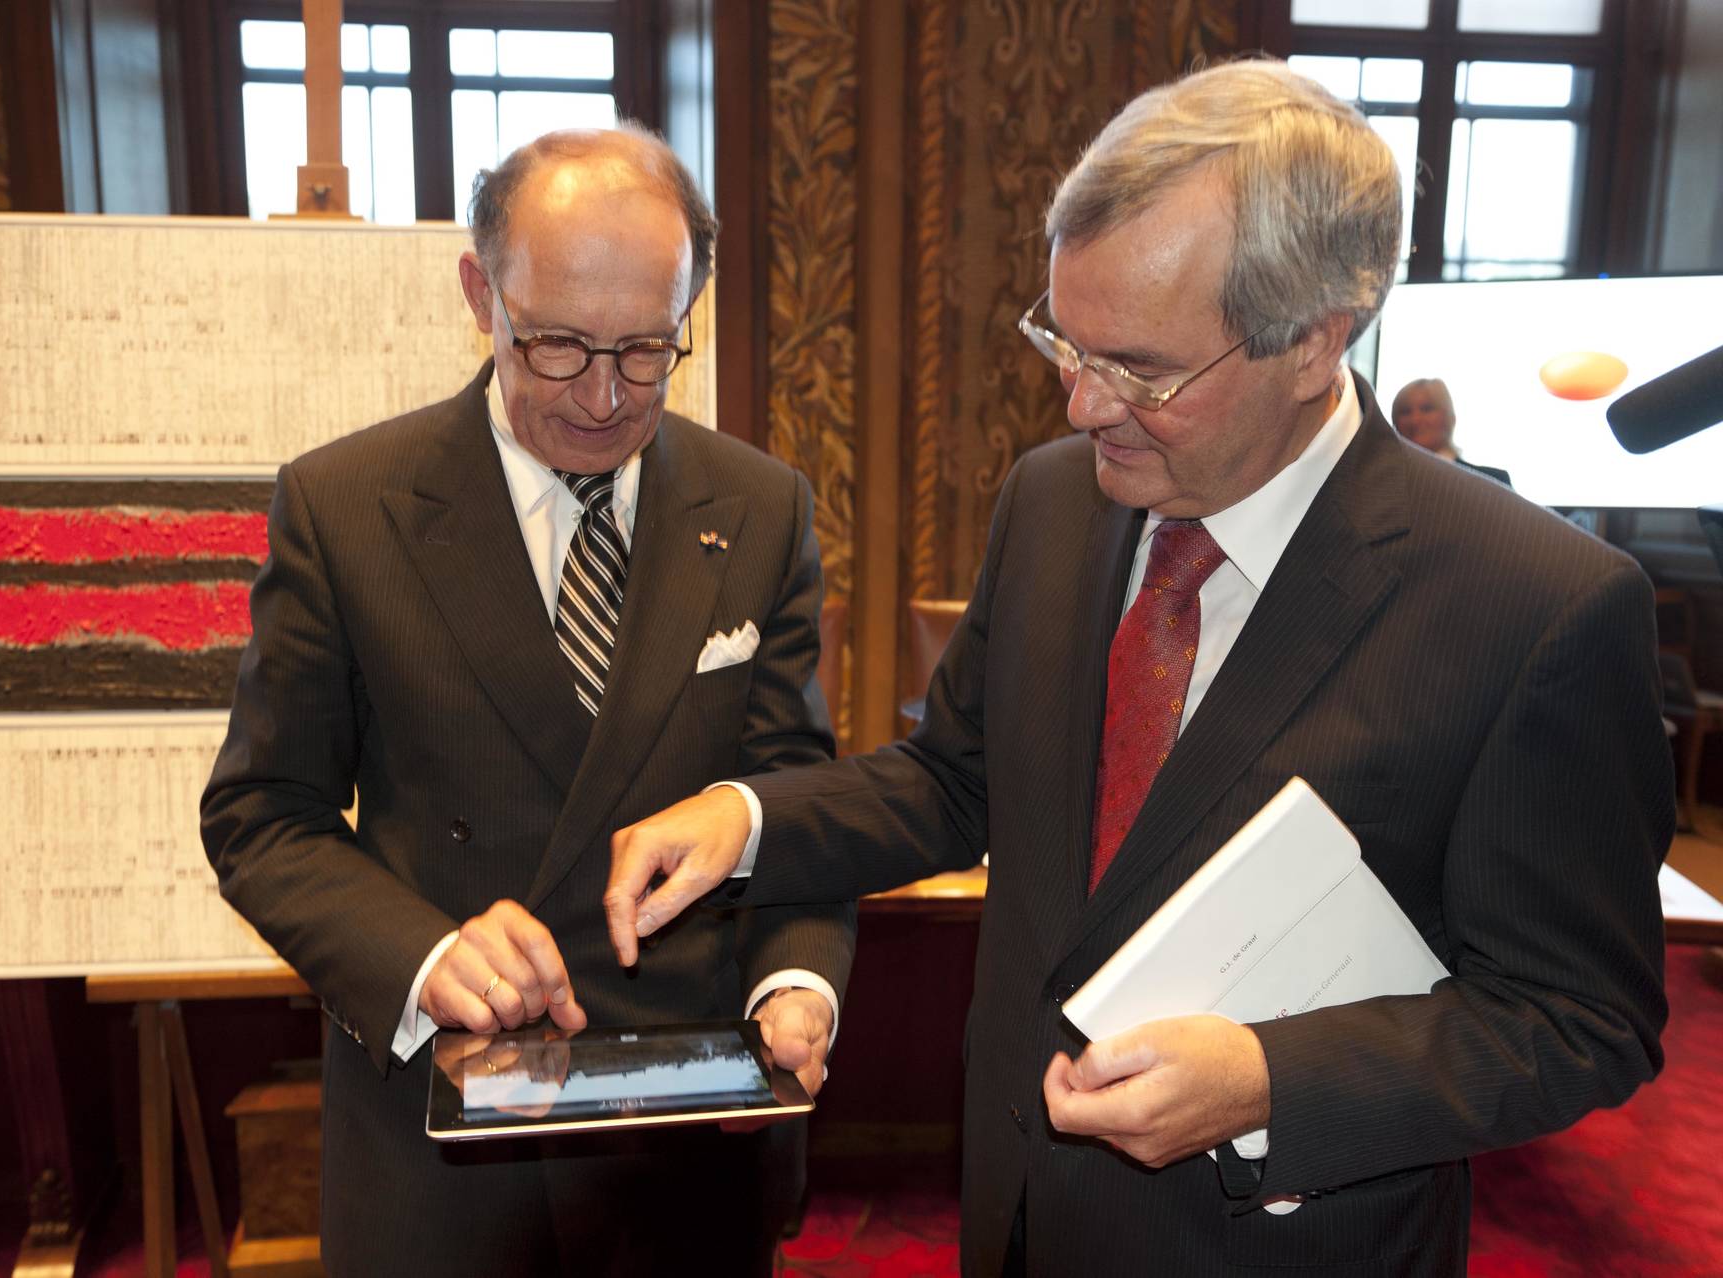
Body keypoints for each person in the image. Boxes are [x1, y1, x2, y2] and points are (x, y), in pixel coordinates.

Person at [606, 60, 1670, 1277]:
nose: (1079, 403)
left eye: (1141, 370)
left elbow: (1581, 1019)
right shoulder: (1055, 503)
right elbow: (957, 782)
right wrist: (744, 821)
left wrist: (1272, 1081)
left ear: (1318, 338)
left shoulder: (1533, 603)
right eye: (1065, 338)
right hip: (1017, 1218)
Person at [201, 123, 854, 1278]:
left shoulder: (762, 507)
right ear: (480, 293)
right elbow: (262, 816)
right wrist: (419, 956)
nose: (604, 397)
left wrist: (794, 980)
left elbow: (789, 799)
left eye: (647, 350)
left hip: (683, 1134)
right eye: (557, 345)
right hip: (443, 1144)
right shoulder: (346, 506)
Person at [1391, 376, 1513, 486]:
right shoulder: (1385, 481)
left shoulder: (1494, 481)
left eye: (1427, 409)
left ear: (1450, 418)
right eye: (1405, 412)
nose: (1415, 420)